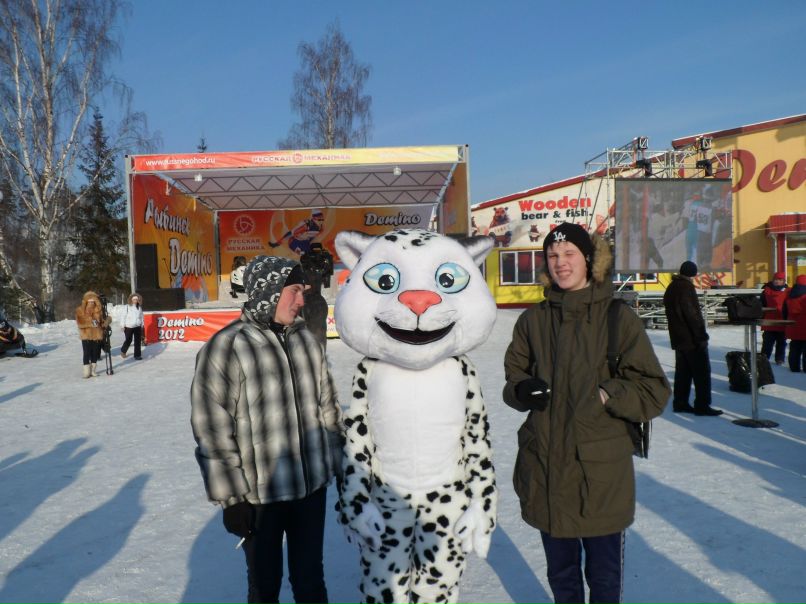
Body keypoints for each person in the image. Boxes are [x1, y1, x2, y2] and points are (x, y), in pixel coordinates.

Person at [503, 223, 670, 604]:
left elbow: (653, 389)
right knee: (562, 576)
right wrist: (521, 390)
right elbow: (514, 378)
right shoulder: (533, 321)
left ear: (590, 261)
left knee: (604, 578)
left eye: (569, 255)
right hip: (546, 469)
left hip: (599, 477)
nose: (561, 264)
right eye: (553, 256)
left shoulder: (617, 318)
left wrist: (608, 393)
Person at [190, 255, 344, 604]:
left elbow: (329, 408)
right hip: (259, 498)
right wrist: (232, 499)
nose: (302, 299)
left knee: (311, 583)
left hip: (310, 490)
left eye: (303, 291)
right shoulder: (226, 347)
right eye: (294, 290)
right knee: (264, 587)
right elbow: (212, 429)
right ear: (268, 291)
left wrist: (339, 465)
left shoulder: (307, 341)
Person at [663, 261, 722, 416]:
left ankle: (680, 402)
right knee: (702, 372)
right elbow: (691, 314)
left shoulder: (672, 287)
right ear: (692, 274)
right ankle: (702, 405)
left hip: (678, 338)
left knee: (683, 372)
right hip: (691, 339)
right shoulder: (686, 287)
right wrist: (701, 336)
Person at [75, 291, 111, 378]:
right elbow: (80, 323)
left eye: (93, 301)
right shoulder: (80, 310)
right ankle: (86, 371)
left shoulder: (98, 310)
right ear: (86, 301)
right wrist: (91, 323)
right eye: (89, 301)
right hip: (86, 335)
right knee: (86, 353)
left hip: (97, 335)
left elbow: (102, 322)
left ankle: (93, 370)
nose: (91, 303)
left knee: (95, 353)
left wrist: (107, 321)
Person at [760, 271, 789, 365]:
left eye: (780, 280)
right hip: (769, 320)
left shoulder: (788, 291)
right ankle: (764, 359)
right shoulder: (766, 291)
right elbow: (762, 304)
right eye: (776, 279)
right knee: (767, 342)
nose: (777, 281)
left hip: (782, 320)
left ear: (784, 281)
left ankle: (779, 359)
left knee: (781, 342)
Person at [783, 274, 806, 372]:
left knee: (794, 348)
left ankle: (794, 367)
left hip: (793, 325)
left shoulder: (790, 293)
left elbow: (784, 310)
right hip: (805, 326)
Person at [120, 292, 144, 360]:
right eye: (134, 300)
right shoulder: (127, 307)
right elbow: (123, 316)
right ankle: (123, 351)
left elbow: (141, 317)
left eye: (136, 300)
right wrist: (122, 325)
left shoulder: (139, 307)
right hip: (129, 327)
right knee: (128, 340)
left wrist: (142, 324)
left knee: (137, 341)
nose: (135, 301)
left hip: (137, 326)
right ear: (131, 300)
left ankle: (137, 355)